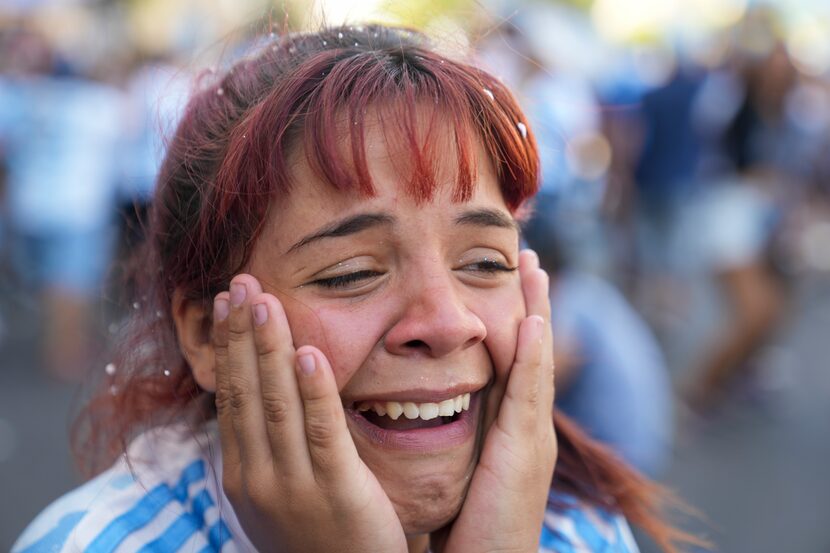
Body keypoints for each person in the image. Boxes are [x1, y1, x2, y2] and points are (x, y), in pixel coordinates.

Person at [14, 25, 703, 553]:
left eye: (485, 262)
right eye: (351, 272)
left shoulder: (580, 529)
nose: (445, 321)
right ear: (204, 333)